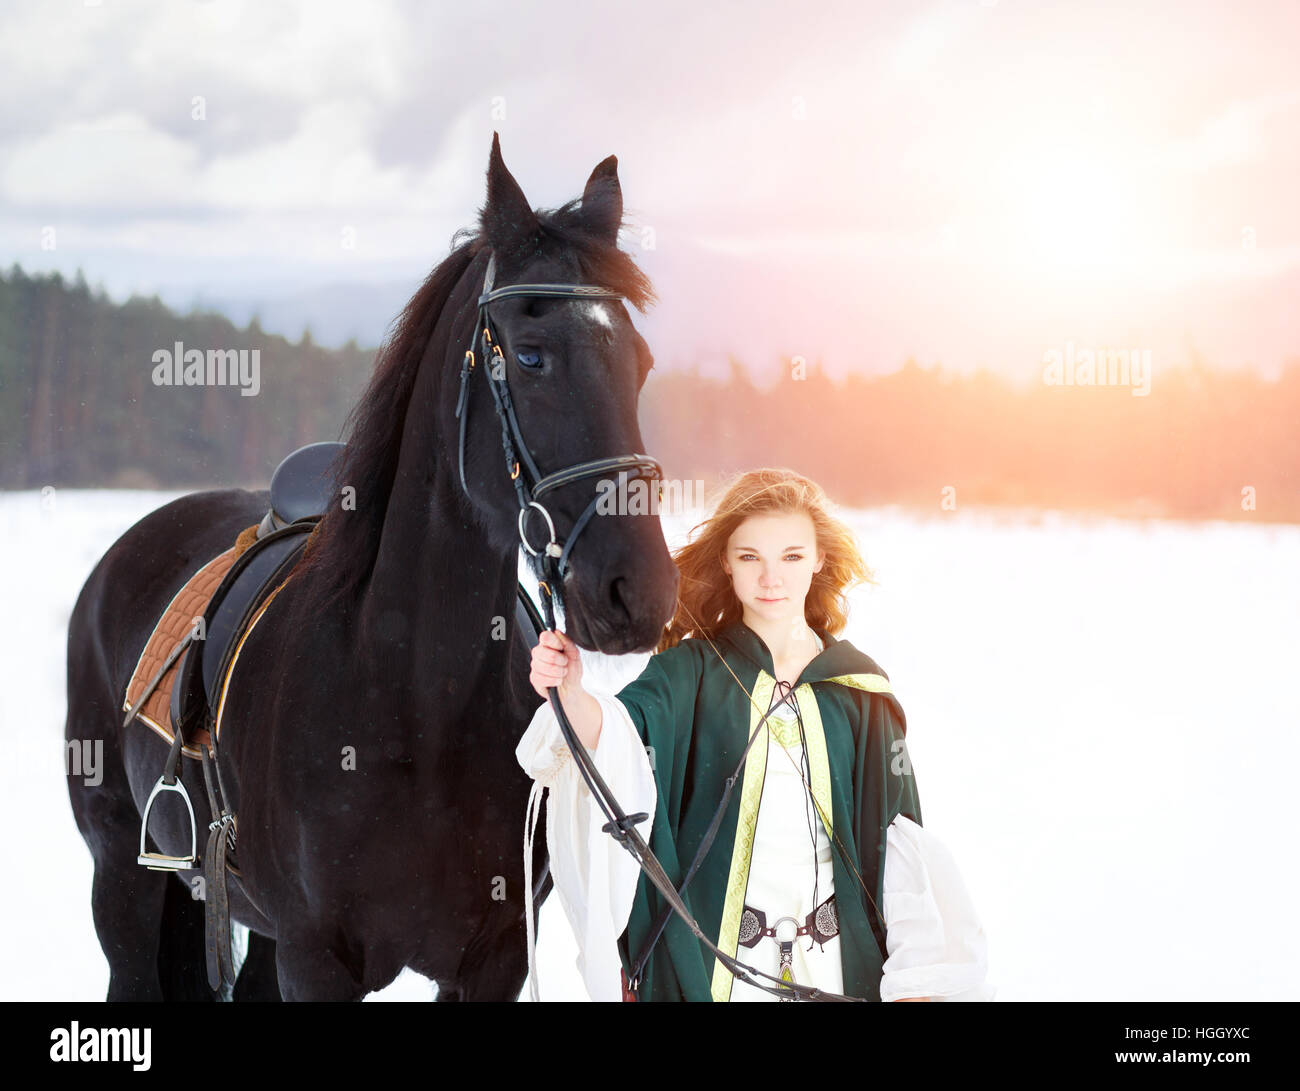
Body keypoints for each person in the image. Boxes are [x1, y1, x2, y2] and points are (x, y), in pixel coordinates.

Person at [516, 468, 994, 1002]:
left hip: (836, 973)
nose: (772, 579)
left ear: (818, 560)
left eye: (791, 556)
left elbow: (899, 846)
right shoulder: (689, 673)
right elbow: (617, 741)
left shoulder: (859, 690)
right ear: (726, 562)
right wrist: (571, 689)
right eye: (750, 558)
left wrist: (917, 983)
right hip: (718, 972)